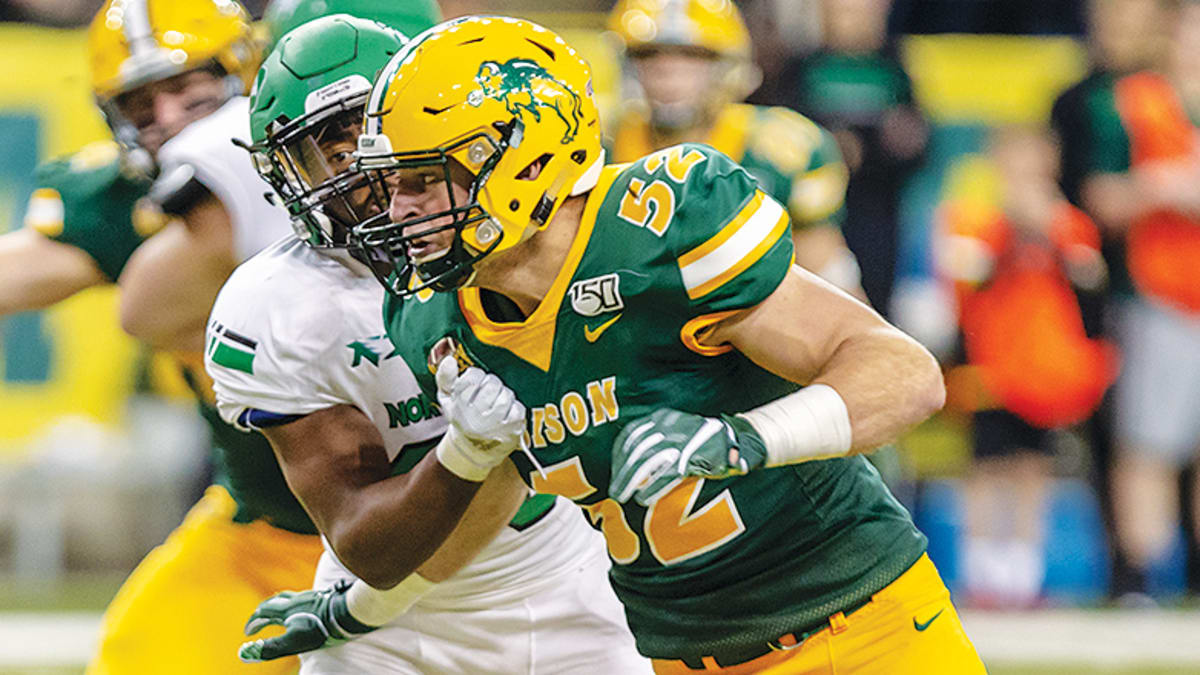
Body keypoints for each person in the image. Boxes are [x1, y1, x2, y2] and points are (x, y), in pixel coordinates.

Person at [347, 16, 983, 673]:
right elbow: (500, 500)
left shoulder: (656, 228)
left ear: (526, 161)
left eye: (424, 178)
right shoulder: (437, 317)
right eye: (393, 183)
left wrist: (743, 438)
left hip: (852, 631)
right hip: (677, 656)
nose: (399, 210)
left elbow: (906, 373)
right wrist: (364, 607)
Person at [204, 15, 649, 672]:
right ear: (287, 173)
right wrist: (465, 451)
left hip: (565, 576)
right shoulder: (276, 307)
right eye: (328, 150)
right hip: (388, 630)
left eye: (370, 137)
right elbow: (368, 545)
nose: (361, 171)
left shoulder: (530, 238)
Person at [935, 125, 1114, 608]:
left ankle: (1024, 575)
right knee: (985, 467)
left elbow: (1091, 279)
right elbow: (964, 279)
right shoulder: (974, 218)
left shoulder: (1069, 221)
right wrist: (1007, 232)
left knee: (1032, 468)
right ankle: (980, 572)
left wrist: (1049, 229)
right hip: (990, 363)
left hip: (1044, 370)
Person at [1074, 0, 1200, 602]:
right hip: (1159, 295)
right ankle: (1142, 581)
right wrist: (1161, 188)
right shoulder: (1128, 101)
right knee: (1147, 445)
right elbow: (1097, 195)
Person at [606, 0, 863, 294]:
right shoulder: (597, 145)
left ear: (726, 67)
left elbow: (829, 276)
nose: (669, 73)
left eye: (691, 57)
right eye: (650, 56)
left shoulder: (782, 149)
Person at [1048, 0, 1172, 601]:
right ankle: (1128, 572)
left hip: (1167, 288)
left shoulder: (1165, 96)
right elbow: (1084, 191)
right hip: (1104, 284)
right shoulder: (1084, 100)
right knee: (1122, 438)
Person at [766, 0, 928, 317]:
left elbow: (918, 142)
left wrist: (889, 147)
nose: (852, 21)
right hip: (811, 214)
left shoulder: (894, 68)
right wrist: (827, 148)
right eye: (843, 11)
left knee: (873, 309)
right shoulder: (802, 67)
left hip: (876, 210)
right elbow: (779, 132)